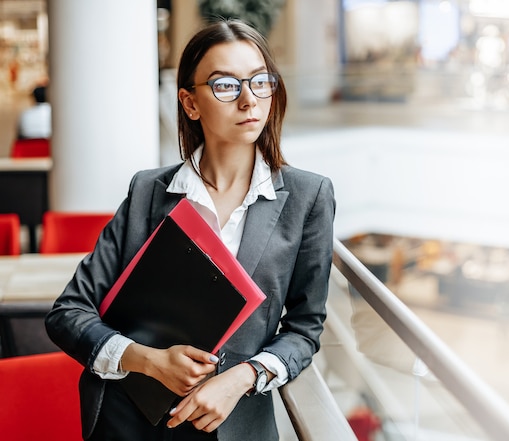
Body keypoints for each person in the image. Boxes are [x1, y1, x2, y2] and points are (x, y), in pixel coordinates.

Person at [45, 18, 335, 441]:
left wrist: (240, 378)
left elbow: (305, 329)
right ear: (190, 102)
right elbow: (67, 313)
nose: (248, 101)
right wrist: (148, 361)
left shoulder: (309, 197)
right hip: (132, 422)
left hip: (234, 424)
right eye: (225, 86)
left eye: (260, 81)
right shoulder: (149, 190)